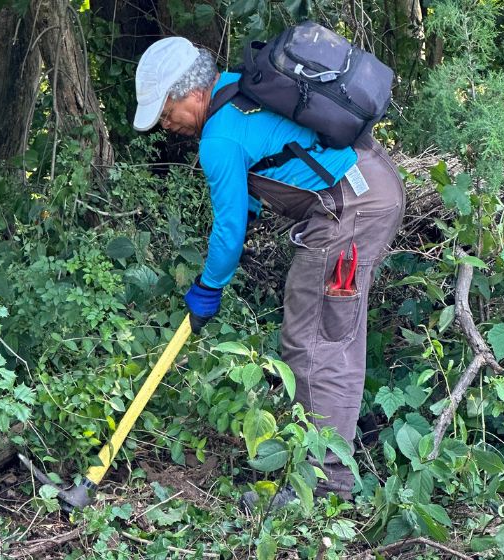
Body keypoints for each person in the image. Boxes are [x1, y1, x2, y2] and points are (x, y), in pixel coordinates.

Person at [132, 36, 405, 505]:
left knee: (316, 334)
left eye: (165, 111)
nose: (165, 124)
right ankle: (329, 458)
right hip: (368, 184)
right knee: (327, 328)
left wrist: (208, 287)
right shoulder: (241, 87)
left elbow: (228, 230)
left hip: (352, 208)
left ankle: (321, 483)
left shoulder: (217, 137)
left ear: (190, 94)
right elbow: (278, 152)